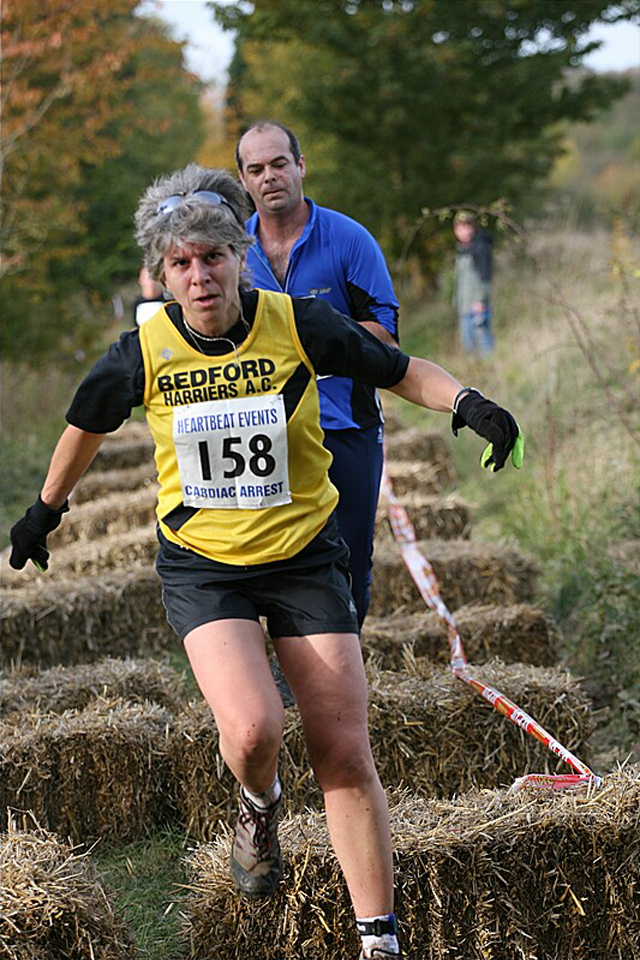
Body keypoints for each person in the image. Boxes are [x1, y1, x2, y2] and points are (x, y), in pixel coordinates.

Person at [9, 164, 523, 960]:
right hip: (205, 566)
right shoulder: (144, 351)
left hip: (304, 556)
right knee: (253, 730)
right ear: (162, 274)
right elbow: (86, 424)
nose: (200, 276)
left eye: (213, 257)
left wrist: (468, 402)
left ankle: (379, 940)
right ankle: (258, 803)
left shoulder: (298, 322)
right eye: (181, 263)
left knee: (343, 749)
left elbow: (399, 369)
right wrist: (46, 510)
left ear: (239, 257)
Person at [236, 121, 400, 629]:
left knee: (350, 559)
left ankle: (344, 663)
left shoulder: (349, 239)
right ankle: (286, 666)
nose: (269, 177)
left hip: (345, 426)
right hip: (264, 432)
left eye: (279, 164)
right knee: (274, 563)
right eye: (256, 169)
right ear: (243, 180)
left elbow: (387, 334)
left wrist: (317, 344)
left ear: (301, 166)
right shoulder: (231, 252)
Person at [452, 210, 495, 353]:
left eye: (467, 226)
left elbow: (486, 276)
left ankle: (491, 366)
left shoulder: (481, 247)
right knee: (469, 346)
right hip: (464, 306)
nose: (463, 231)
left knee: (484, 343)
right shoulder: (461, 250)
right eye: (459, 228)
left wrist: (481, 301)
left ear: (473, 227)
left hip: (477, 306)